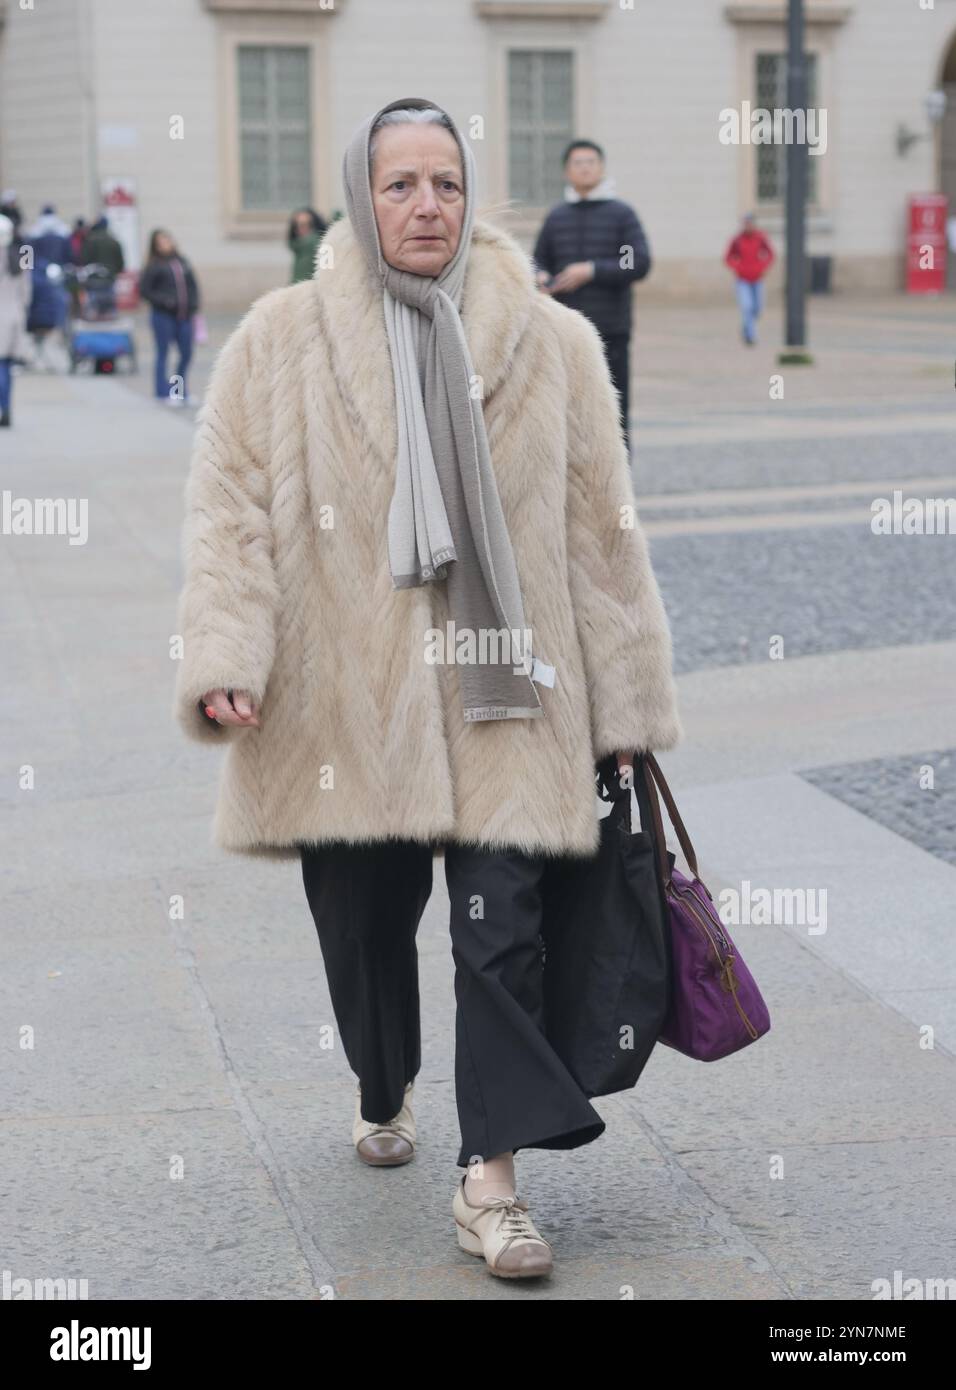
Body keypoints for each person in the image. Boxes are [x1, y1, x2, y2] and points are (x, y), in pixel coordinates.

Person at [171, 98, 682, 1280]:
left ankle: (490, 1181)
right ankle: (381, 1078)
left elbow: (603, 540)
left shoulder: (553, 344)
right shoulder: (282, 337)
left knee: (501, 933)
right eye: (399, 184)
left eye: (445, 183)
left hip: (512, 694)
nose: (424, 206)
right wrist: (228, 656)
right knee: (360, 920)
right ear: (361, 193)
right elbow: (230, 510)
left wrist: (621, 708)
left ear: (471, 194)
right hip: (344, 701)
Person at [532, 139, 651, 454]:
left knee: (613, 414)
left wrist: (592, 270)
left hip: (610, 330)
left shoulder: (622, 215)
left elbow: (638, 262)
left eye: (590, 162)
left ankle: (618, 490)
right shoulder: (556, 216)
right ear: (566, 171)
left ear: (601, 168)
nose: (584, 168)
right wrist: (541, 276)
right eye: (577, 163)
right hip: (564, 333)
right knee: (567, 414)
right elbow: (538, 259)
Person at [138, 228, 201, 405]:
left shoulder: (182, 262)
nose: (165, 243)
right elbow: (144, 291)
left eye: (167, 239)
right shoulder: (154, 265)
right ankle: (162, 393)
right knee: (163, 353)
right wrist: (164, 301)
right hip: (163, 316)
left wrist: (194, 304)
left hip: (185, 315)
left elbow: (192, 285)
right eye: (161, 241)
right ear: (155, 246)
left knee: (186, 353)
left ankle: (179, 392)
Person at [25, 205, 71, 369]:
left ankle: (39, 353)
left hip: (37, 281)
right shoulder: (63, 233)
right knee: (58, 317)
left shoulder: (33, 234)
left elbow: (26, 259)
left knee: (38, 319)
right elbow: (69, 257)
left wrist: (28, 272)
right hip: (55, 281)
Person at [0, 213, 32, 426]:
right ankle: (7, 407)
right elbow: (27, 291)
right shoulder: (23, 253)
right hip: (14, 316)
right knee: (7, 365)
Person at [724, 212, 775, 345]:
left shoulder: (760, 238)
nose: (748, 226)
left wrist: (763, 267)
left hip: (757, 279)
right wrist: (737, 267)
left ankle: (746, 327)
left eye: (750, 223)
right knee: (747, 306)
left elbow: (770, 254)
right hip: (743, 280)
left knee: (757, 308)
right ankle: (751, 336)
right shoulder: (737, 240)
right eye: (746, 224)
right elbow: (728, 257)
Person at [288, 206, 328, 283]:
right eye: (296, 225)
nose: (300, 229)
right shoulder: (298, 246)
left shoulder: (314, 244)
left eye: (305, 224)